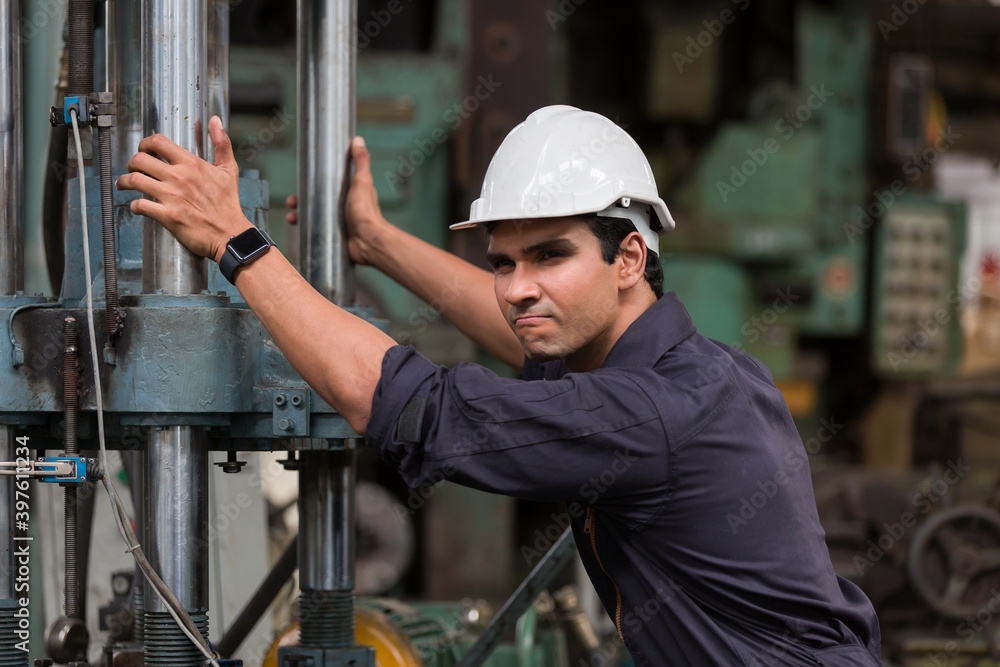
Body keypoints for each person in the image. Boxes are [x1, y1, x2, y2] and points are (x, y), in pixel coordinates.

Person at [116, 105, 882, 665]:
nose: (518, 288)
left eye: (550, 256)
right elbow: (520, 324)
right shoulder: (690, 366)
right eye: (503, 260)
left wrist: (234, 239)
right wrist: (378, 244)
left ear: (628, 259)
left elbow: (395, 399)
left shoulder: (651, 410)